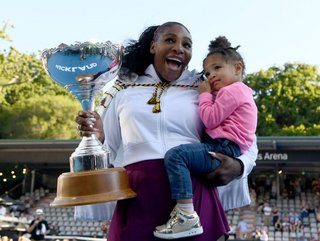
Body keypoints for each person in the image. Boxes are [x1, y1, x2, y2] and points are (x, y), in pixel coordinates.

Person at [75, 21, 258, 241]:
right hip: (137, 194)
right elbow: (108, 147)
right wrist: (97, 136)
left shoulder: (204, 88)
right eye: (170, 40)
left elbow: (245, 132)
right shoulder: (123, 88)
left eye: (187, 45)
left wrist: (240, 165)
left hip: (194, 194)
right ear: (153, 46)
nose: (179, 48)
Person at [154, 36, 257, 239]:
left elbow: (210, 119)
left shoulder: (232, 91)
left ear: (237, 69)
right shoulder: (240, 92)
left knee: (176, 156)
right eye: (208, 72)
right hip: (226, 146)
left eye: (217, 68)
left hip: (222, 147)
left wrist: (204, 95)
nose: (211, 76)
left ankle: (185, 214)